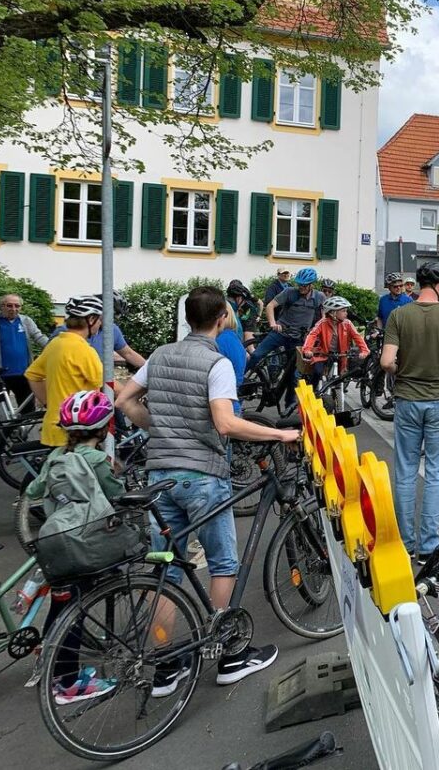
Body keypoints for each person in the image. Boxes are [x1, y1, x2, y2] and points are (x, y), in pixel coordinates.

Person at [117, 286, 300, 691]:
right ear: (221, 318)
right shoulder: (215, 362)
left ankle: (165, 665)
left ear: (188, 317)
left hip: (160, 477)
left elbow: (125, 400)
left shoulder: (161, 355)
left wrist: (156, 426)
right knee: (222, 563)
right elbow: (225, 423)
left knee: (165, 571)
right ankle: (229, 654)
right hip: (202, 476)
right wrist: (278, 436)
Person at [26, 390, 121, 705]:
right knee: (76, 610)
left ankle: (53, 668)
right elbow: (117, 496)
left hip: (56, 541)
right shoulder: (97, 460)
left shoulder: (57, 457)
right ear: (105, 428)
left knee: (61, 604)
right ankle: (68, 684)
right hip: (85, 542)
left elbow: (34, 489)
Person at [380, 262, 439, 558]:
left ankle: (405, 545)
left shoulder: (398, 314)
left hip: (407, 400)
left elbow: (385, 362)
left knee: (405, 471)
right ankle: (428, 545)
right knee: (435, 473)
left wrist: (401, 370)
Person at [26, 296, 104, 447]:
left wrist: (48, 403)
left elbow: (32, 375)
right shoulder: (84, 350)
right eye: (100, 320)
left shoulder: (56, 343)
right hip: (77, 431)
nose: (100, 324)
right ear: (91, 319)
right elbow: (106, 384)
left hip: (54, 425)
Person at [52, 291, 145, 370]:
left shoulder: (112, 330)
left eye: (116, 317)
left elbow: (128, 353)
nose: (112, 320)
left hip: (97, 381)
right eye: (113, 315)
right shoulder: (65, 332)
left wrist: (150, 369)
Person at [0, 293, 50, 404]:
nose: (13, 309)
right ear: (2, 306)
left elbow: (39, 337)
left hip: (24, 373)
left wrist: (56, 348)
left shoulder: (26, 321)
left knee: (27, 411)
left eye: (17, 306)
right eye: (9, 305)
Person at [302, 295, 369, 386]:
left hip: (341, 355)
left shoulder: (347, 323)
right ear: (333, 312)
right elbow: (312, 335)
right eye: (343, 311)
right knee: (317, 372)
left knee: (342, 377)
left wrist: (364, 350)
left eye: (346, 311)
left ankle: (336, 395)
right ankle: (313, 393)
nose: (346, 313)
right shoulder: (322, 323)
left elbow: (357, 337)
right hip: (324, 354)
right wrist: (307, 349)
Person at [226, 280, 261, 350]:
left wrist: (258, 316)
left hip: (250, 317)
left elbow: (260, 303)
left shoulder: (248, 296)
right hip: (244, 318)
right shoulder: (234, 306)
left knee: (249, 346)